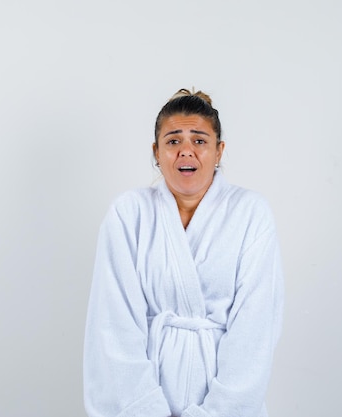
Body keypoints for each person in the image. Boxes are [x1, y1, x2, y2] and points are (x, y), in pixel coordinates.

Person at [83, 89, 284, 417]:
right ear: (156, 151)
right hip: (143, 395)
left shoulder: (250, 213)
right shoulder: (128, 213)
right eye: (173, 141)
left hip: (225, 401)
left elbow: (255, 333)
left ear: (219, 151)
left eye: (200, 141)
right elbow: (113, 327)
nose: (186, 151)